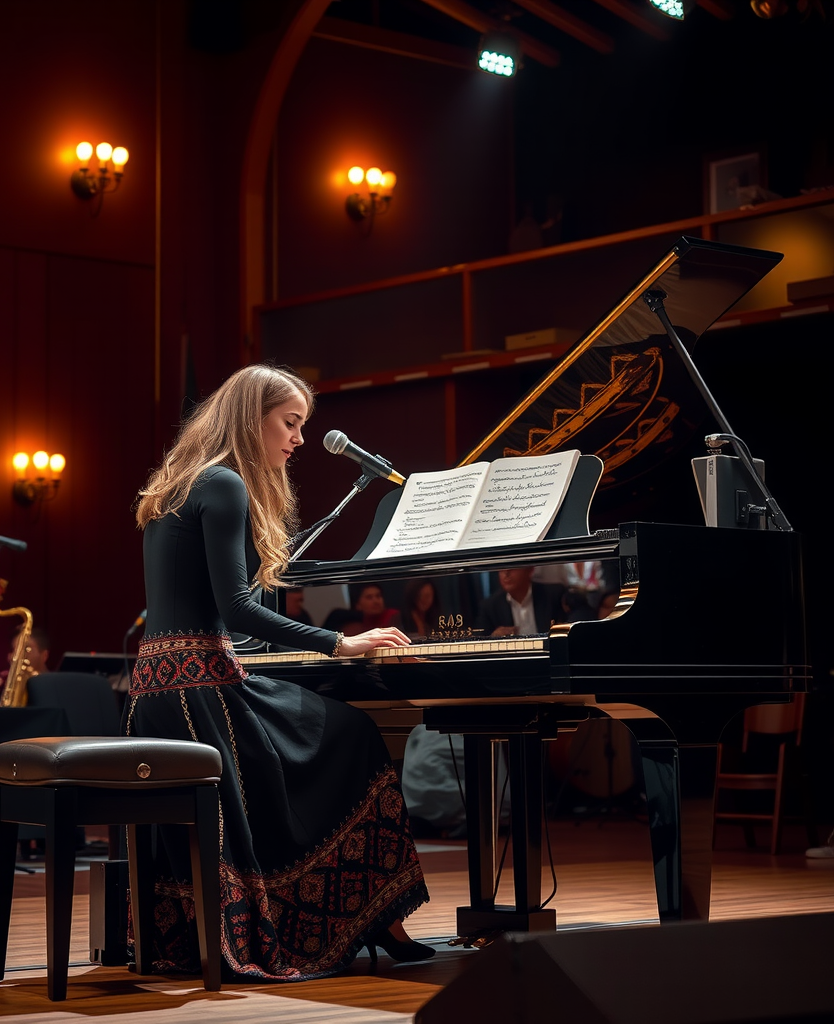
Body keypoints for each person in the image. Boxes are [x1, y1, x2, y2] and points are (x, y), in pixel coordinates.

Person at [130, 364, 431, 982]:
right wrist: (338, 643)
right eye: (289, 424)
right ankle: (371, 916)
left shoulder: (179, 483)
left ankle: (359, 914)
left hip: (158, 691)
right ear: (252, 418)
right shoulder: (225, 484)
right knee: (353, 735)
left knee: (321, 737)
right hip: (203, 694)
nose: (297, 439)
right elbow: (237, 607)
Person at [476, 566, 569, 636]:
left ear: (530, 570)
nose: (506, 573)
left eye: (512, 567)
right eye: (501, 568)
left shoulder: (553, 594)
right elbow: (478, 640)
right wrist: (493, 637)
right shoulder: (490, 605)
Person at [0, 626, 51, 701]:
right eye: (14, 650)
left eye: (26, 650)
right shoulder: (1, 687)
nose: (15, 657)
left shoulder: (56, 689)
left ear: (44, 655)